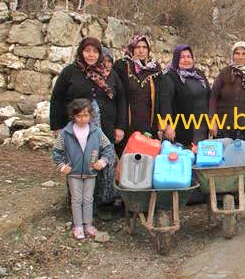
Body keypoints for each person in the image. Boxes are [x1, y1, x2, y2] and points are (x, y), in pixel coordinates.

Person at [50, 37, 126, 206]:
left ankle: (105, 200)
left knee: (106, 163)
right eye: (87, 50)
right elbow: (56, 98)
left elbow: (121, 100)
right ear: (81, 52)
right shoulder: (70, 72)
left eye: (95, 51)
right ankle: (78, 203)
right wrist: (57, 126)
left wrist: (120, 127)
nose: (91, 55)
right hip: (77, 129)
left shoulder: (109, 73)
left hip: (105, 128)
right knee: (79, 164)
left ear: (99, 53)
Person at [52, 98, 115, 240]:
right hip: (73, 173)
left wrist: (102, 161)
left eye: (86, 115)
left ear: (91, 116)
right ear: (73, 116)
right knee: (76, 199)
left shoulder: (96, 132)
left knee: (88, 199)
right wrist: (62, 166)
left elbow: (107, 148)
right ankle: (78, 226)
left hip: (90, 172)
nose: (82, 119)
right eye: (79, 116)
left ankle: (88, 225)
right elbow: (56, 151)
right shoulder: (66, 133)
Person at [209, 41, 245, 145]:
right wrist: (212, 121)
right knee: (225, 159)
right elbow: (213, 97)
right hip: (224, 127)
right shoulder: (225, 73)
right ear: (232, 55)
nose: (240, 57)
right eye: (237, 53)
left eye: (244, 54)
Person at [113, 35, 162, 149]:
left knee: (147, 158)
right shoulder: (121, 66)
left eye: (144, 47)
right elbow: (117, 96)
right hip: (127, 123)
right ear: (131, 48)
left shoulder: (155, 68)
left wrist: (161, 123)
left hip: (148, 123)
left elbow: (161, 97)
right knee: (127, 159)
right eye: (137, 47)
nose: (141, 50)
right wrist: (119, 125)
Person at [160, 45, 210, 147]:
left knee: (200, 157)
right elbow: (165, 102)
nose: (186, 60)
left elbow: (208, 95)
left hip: (201, 126)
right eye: (182, 57)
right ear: (176, 58)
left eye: (189, 56)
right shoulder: (170, 77)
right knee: (184, 157)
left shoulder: (199, 74)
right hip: (181, 127)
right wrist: (168, 125)